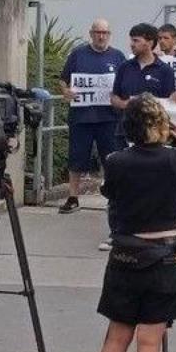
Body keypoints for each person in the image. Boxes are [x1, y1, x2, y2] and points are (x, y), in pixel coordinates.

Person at [95, 94, 176, 352]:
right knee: (149, 340)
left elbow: (108, 192)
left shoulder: (115, 160)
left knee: (116, 336)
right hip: (164, 256)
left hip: (124, 253)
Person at [106, 24, 176, 251]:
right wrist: (127, 104)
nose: (132, 44)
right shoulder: (124, 68)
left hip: (154, 140)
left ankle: (151, 231)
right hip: (124, 133)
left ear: (149, 42)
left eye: (136, 40)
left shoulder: (164, 71)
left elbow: (169, 103)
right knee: (121, 185)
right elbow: (114, 97)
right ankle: (116, 231)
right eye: (131, 40)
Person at [58, 19, 126, 214]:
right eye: (98, 32)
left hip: (109, 118)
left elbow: (125, 83)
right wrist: (66, 91)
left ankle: (114, 199)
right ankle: (73, 197)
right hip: (81, 117)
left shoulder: (118, 56)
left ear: (109, 34)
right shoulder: (78, 54)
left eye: (105, 33)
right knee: (76, 158)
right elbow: (63, 80)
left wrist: (119, 97)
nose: (101, 36)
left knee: (112, 159)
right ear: (91, 34)